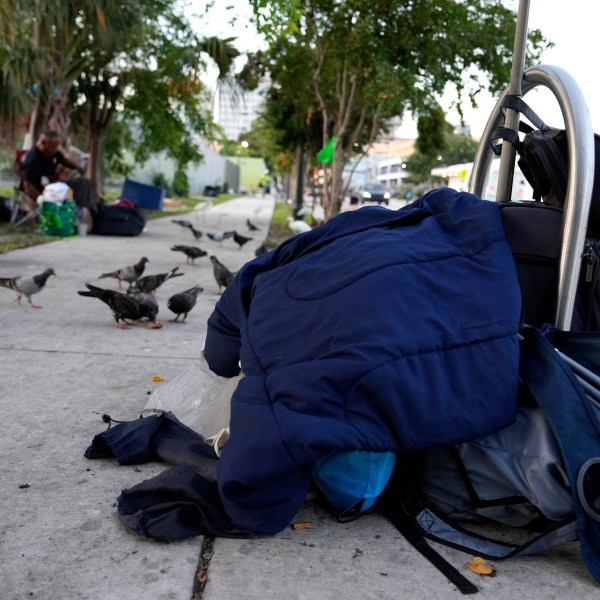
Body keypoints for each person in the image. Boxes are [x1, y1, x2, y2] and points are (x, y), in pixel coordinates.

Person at [21, 130, 96, 218]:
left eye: (56, 147)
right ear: (43, 143)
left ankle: (89, 212)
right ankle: (79, 215)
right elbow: (28, 186)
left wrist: (76, 167)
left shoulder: (50, 152)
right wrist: (43, 200)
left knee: (86, 182)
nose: (55, 150)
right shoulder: (32, 159)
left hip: (57, 183)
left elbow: (62, 159)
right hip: (47, 190)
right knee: (81, 184)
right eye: (53, 147)